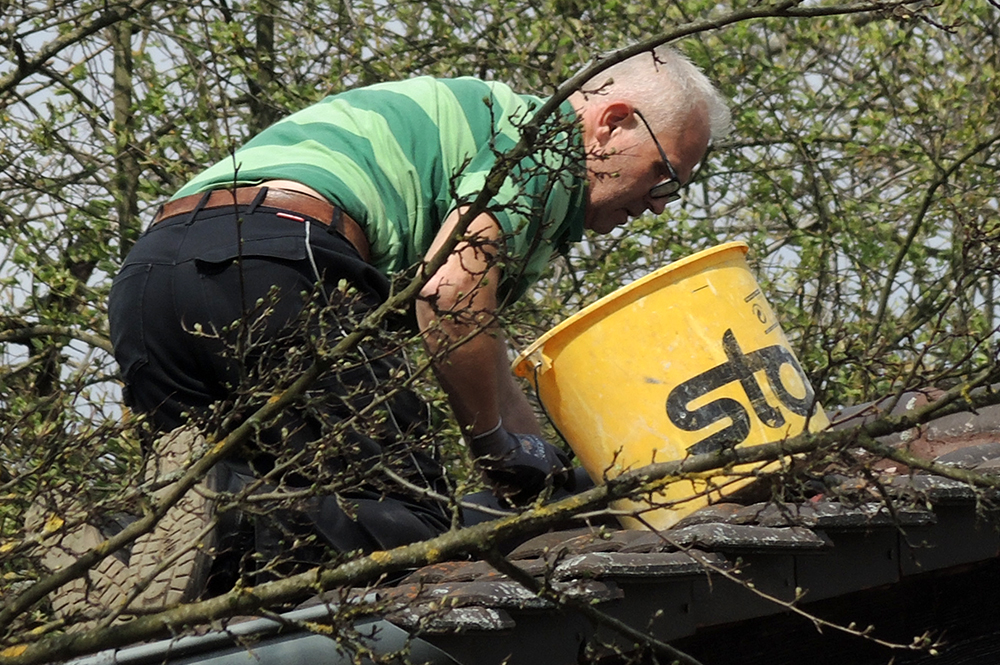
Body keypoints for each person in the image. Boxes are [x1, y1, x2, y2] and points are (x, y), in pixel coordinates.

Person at [107, 45, 730, 596]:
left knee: (280, 537)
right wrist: (493, 448)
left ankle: (129, 535)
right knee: (408, 524)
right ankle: (223, 523)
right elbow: (449, 301)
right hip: (273, 263)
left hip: (152, 278)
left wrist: (535, 466)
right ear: (611, 123)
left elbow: (475, 327)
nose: (655, 208)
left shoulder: (486, 127)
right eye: (664, 177)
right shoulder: (540, 146)